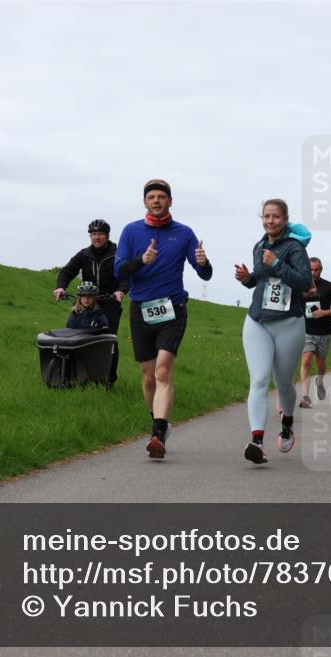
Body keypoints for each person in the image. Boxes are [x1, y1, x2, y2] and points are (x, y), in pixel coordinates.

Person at [115, 179, 212, 459]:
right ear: (145, 202)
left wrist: (203, 262)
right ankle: (159, 422)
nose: (156, 201)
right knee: (148, 379)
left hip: (172, 308)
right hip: (141, 309)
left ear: (170, 201)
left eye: (161, 197)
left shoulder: (184, 233)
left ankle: (157, 434)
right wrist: (141, 261)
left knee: (162, 371)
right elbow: (119, 270)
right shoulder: (131, 231)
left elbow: (204, 274)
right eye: (151, 197)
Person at [234, 199, 313, 464]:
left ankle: (287, 422)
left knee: (283, 384)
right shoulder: (259, 246)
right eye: (266, 216)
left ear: (285, 219)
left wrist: (278, 263)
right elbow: (259, 279)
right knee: (258, 380)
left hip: (289, 323)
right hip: (257, 320)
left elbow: (305, 282)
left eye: (276, 216)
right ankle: (256, 440)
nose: (270, 221)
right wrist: (247, 278)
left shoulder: (295, 247)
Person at [54, 219, 127, 387]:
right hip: (87, 302)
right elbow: (67, 271)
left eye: (100, 234)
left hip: (109, 303)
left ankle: (108, 380)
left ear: (107, 236)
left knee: (109, 341)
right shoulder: (84, 254)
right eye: (93, 234)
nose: (96, 237)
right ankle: (76, 376)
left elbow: (125, 277)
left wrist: (120, 291)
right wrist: (60, 287)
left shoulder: (118, 254)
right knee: (77, 338)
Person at [299, 257, 331, 408]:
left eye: (316, 270)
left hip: (324, 332)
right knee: (306, 361)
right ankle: (305, 396)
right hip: (306, 331)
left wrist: (324, 312)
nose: (313, 273)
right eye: (310, 270)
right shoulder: (302, 286)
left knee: (321, 365)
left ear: (321, 270)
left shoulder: (329, 286)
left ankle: (319, 380)